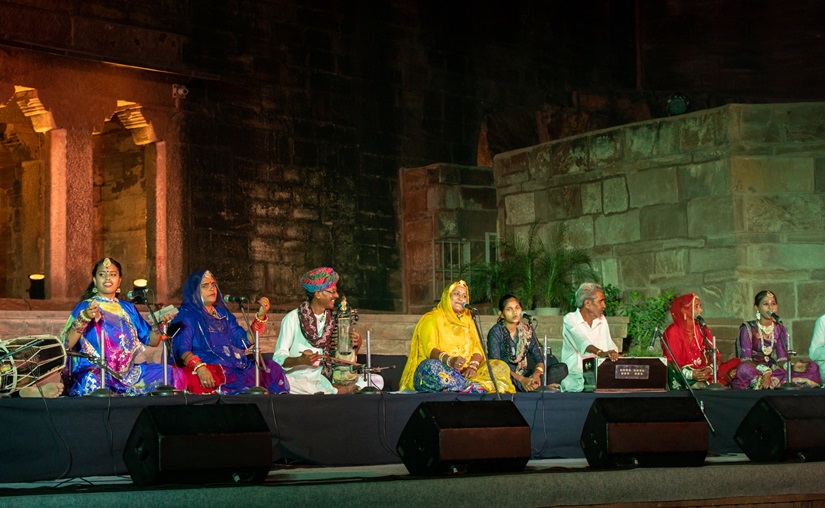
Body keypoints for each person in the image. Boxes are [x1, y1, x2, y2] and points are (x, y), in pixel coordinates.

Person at [61, 258, 186, 396]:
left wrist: (159, 325)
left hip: (129, 374)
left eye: (113, 274)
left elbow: (151, 341)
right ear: (95, 280)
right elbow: (66, 343)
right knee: (91, 382)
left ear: (119, 280)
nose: (107, 278)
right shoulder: (85, 306)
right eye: (102, 274)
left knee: (172, 374)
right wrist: (84, 317)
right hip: (98, 372)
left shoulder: (128, 308)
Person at [170, 270, 289, 394]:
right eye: (205, 286)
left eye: (213, 284)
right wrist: (200, 367)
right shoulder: (186, 315)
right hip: (210, 365)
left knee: (271, 368)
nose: (212, 289)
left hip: (235, 365)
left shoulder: (222, 314)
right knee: (211, 376)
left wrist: (260, 316)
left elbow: (244, 342)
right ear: (194, 292)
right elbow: (181, 349)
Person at [399, 281, 515, 393]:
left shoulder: (468, 320)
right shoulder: (432, 318)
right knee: (430, 367)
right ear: (447, 297)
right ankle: (473, 387)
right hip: (442, 370)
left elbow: (477, 349)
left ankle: (464, 386)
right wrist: (450, 360)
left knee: (499, 366)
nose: (461, 298)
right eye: (456, 294)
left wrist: (473, 366)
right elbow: (430, 349)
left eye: (464, 296)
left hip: (466, 374)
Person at [272, 267, 362, 394]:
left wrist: (357, 344)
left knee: (375, 380)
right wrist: (300, 360)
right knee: (293, 384)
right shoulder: (292, 318)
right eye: (332, 291)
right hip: (299, 379)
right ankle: (337, 391)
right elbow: (278, 359)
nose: (336, 295)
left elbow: (345, 360)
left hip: (327, 377)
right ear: (318, 294)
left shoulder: (335, 320)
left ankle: (334, 390)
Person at [732, 290, 820, 389]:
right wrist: (766, 372)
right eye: (765, 304)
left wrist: (792, 367)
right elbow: (745, 359)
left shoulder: (779, 327)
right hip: (754, 368)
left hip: (773, 368)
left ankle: (770, 382)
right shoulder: (747, 328)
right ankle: (773, 382)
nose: (770, 308)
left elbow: (781, 359)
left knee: (813, 367)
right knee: (744, 369)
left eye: (773, 304)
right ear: (757, 308)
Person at [662, 293, 740, 389]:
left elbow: (716, 355)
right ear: (684, 310)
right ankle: (695, 384)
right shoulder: (672, 331)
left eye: (700, 306)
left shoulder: (701, 327)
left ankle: (704, 384)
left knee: (736, 363)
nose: (700, 310)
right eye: (696, 306)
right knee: (669, 368)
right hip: (683, 372)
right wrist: (691, 374)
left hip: (704, 369)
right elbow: (671, 361)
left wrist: (710, 368)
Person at [487, 294, 555, 392]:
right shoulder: (496, 332)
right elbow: (496, 365)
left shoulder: (526, 330)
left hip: (525, 373)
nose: (515, 312)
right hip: (507, 376)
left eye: (517, 308)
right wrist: (521, 379)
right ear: (501, 314)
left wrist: (536, 374)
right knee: (504, 378)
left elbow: (539, 359)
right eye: (509, 309)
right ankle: (531, 386)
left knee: (561, 368)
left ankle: (533, 383)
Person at [560, 282, 620, 393]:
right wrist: (600, 352)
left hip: (600, 379)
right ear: (587, 303)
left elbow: (610, 346)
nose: (604, 305)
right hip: (575, 380)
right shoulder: (570, 319)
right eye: (600, 301)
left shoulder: (602, 320)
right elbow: (582, 341)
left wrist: (616, 356)